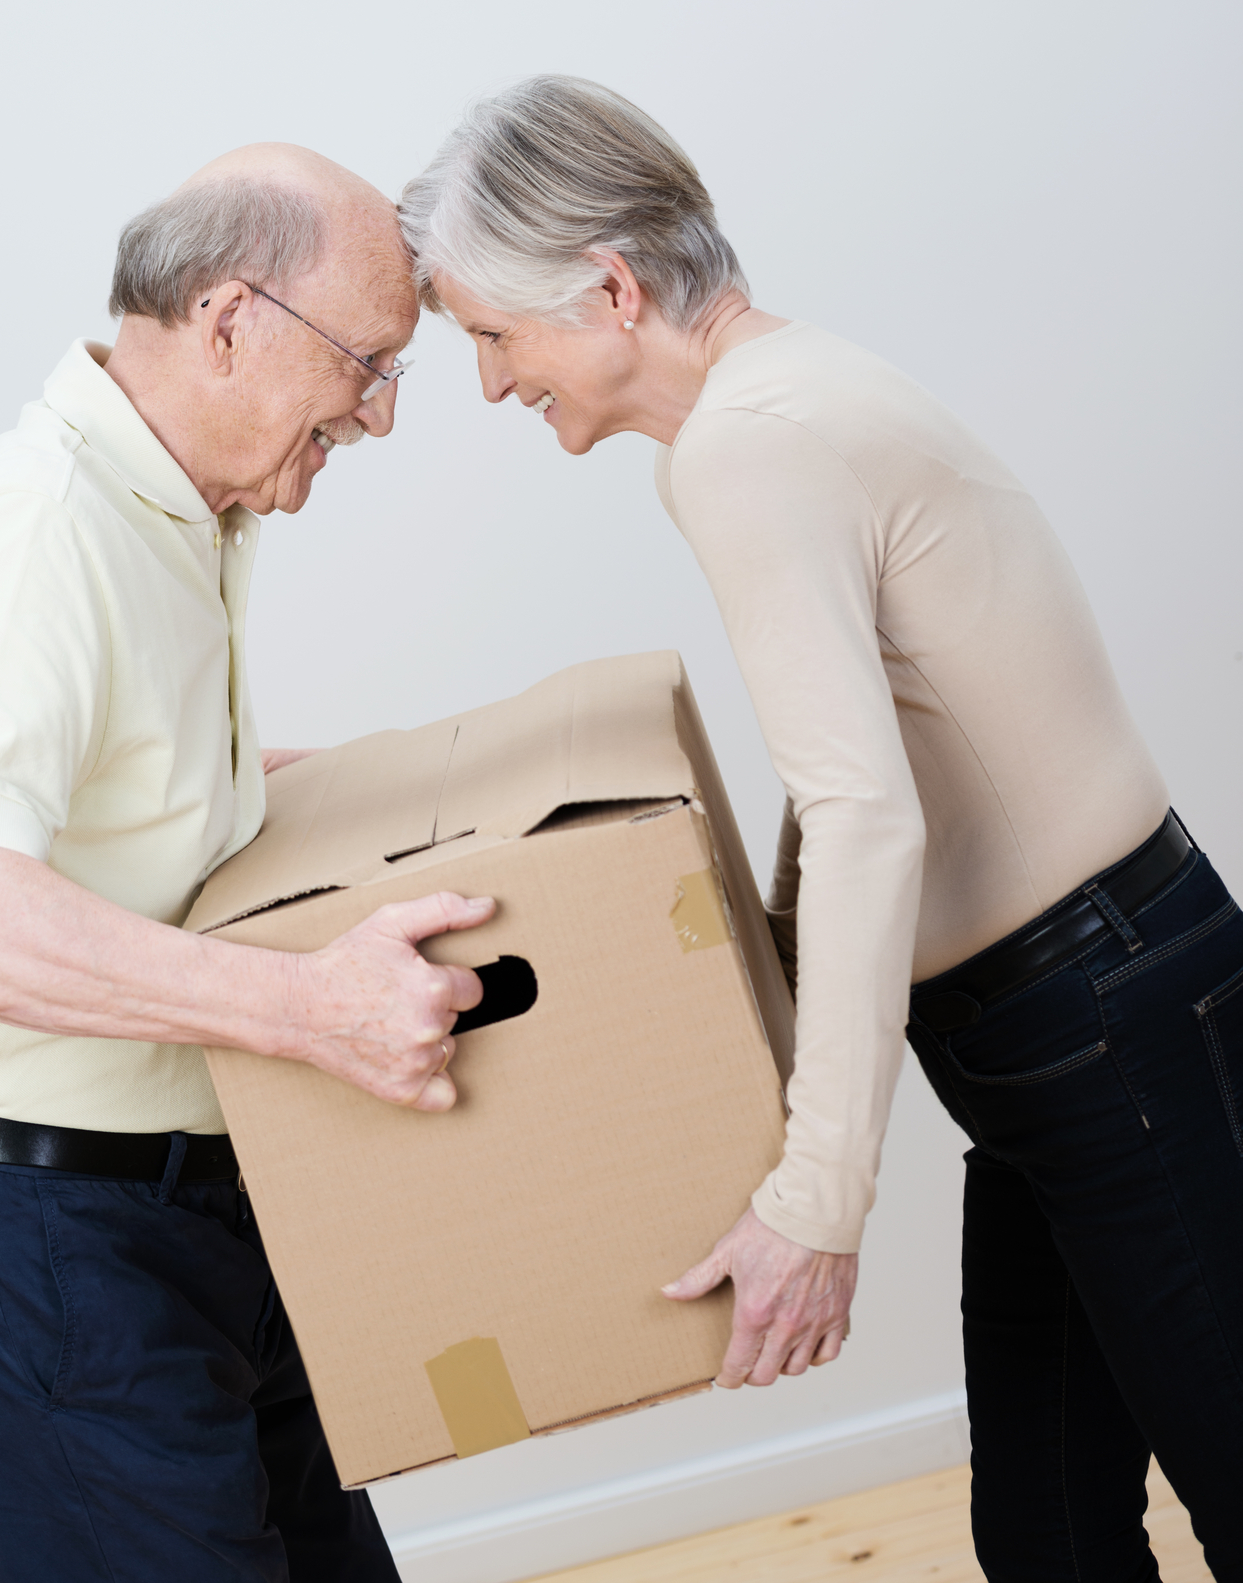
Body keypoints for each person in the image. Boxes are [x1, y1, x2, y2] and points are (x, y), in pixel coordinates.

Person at [397, 76, 1243, 1583]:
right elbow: (850, 768)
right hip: (1069, 1017)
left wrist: (813, 1197)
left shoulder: (746, 445)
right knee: (1044, 1531)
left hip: (1105, 1016)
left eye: (489, 333)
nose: (487, 381)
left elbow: (863, 815)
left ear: (605, 287)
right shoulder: (773, 401)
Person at [0, 144, 496, 1583]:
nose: (379, 414)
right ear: (226, 319)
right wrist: (307, 1009)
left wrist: (452, 792)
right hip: (29, 1244)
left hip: (186, 1210)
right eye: (368, 364)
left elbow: (137, 802)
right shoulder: (38, 533)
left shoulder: (176, 511)